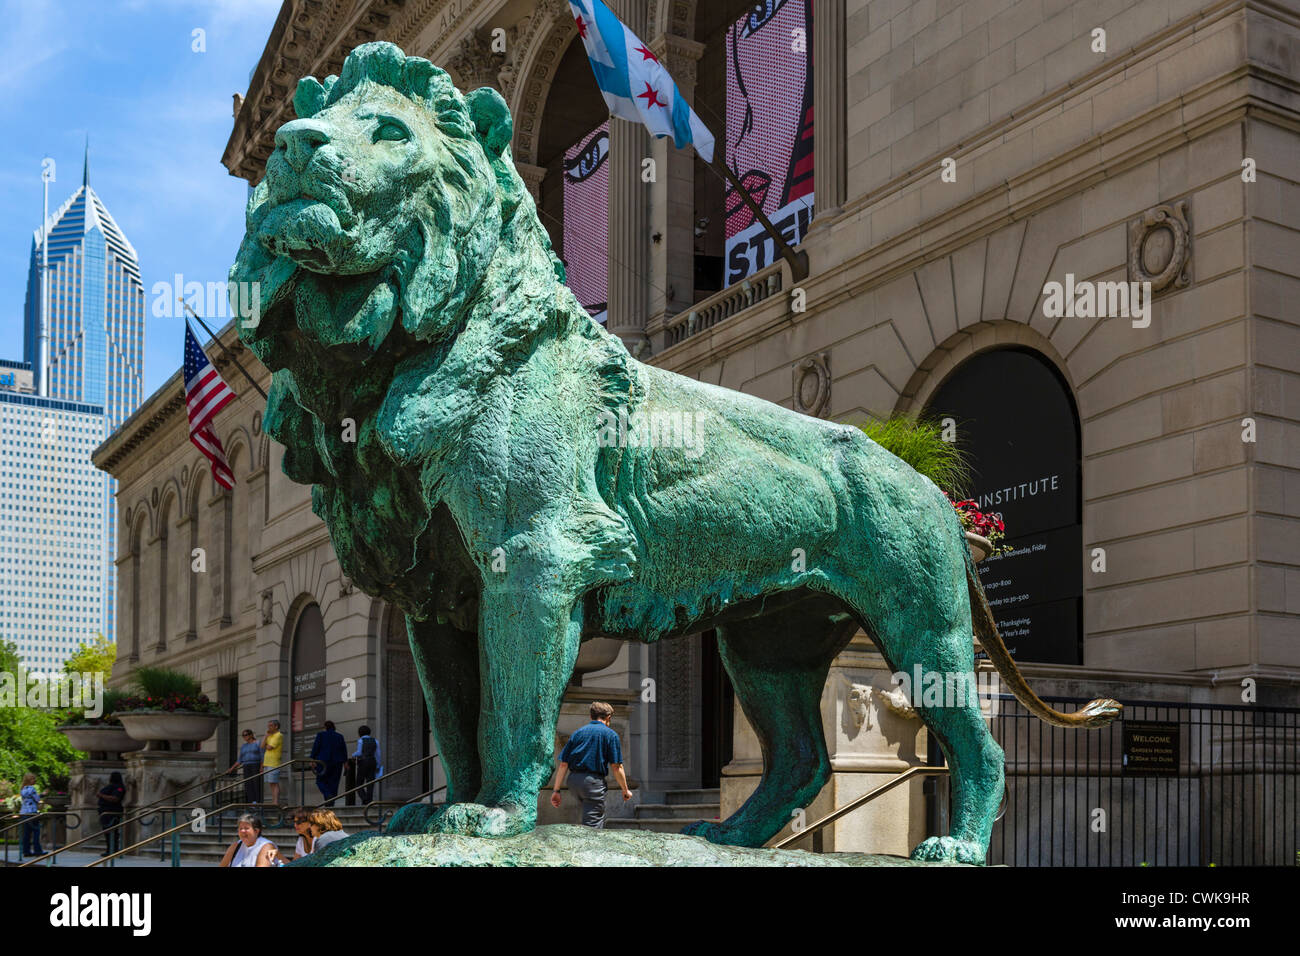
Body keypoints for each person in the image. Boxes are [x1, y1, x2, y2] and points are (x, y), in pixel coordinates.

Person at [550, 702, 632, 829]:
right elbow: (617, 767)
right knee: (593, 827)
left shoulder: (578, 733)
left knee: (585, 820)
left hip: (573, 782)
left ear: (591, 716)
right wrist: (625, 789)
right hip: (592, 784)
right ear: (609, 717)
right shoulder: (610, 735)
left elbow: (563, 764)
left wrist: (556, 791)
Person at [309, 720, 347, 803]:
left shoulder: (321, 735)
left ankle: (327, 794)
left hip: (323, 761)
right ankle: (331, 802)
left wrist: (312, 759)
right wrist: (345, 762)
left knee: (320, 781)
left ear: (325, 727)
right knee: (334, 783)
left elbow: (316, 747)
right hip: (337, 762)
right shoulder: (339, 736)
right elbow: (343, 750)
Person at [226, 729, 264, 805]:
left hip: (255, 765)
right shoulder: (244, 746)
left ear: (251, 735)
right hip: (246, 766)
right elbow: (240, 759)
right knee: (248, 784)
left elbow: (263, 755)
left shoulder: (258, 743)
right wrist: (231, 768)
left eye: (246, 735)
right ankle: (251, 802)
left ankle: (258, 802)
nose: (244, 737)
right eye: (243, 735)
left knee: (256, 784)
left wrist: (262, 767)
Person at [96, 771, 126, 858]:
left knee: (112, 831)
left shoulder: (119, 787)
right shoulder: (110, 786)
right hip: (105, 812)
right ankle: (109, 849)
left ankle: (113, 850)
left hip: (112, 812)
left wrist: (101, 796)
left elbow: (115, 798)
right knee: (107, 832)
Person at [353, 726, 381, 803]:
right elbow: (378, 754)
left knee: (359, 783)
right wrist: (378, 765)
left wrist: (353, 755)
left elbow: (359, 752)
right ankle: (369, 800)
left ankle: (364, 798)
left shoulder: (360, 740)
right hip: (372, 762)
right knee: (370, 783)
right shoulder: (375, 740)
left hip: (363, 762)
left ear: (359, 733)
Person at [18, 772, 42, 859]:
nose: (35, 780)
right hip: (32, 812)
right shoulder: (32, 789)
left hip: (24, 813)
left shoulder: (22, 789)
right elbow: (37, 799)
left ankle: (26, 851)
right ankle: (37, 851)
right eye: (33, 779)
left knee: (26, 834)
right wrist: (42, 794)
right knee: (36, 831)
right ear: (29, 780)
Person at [260, 719, 284, 807]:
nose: (268, 727)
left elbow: (269, 747)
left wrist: (266, 743)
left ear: (276, 726)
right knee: (271, 783)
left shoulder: (278, 735)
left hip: (274, 762)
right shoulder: (270, 736)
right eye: (268, 726)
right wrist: (265, 736)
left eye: (270, 726)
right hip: (267, 762)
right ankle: (273, 801)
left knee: (274, 782)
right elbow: (262, 746)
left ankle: (276, 802)